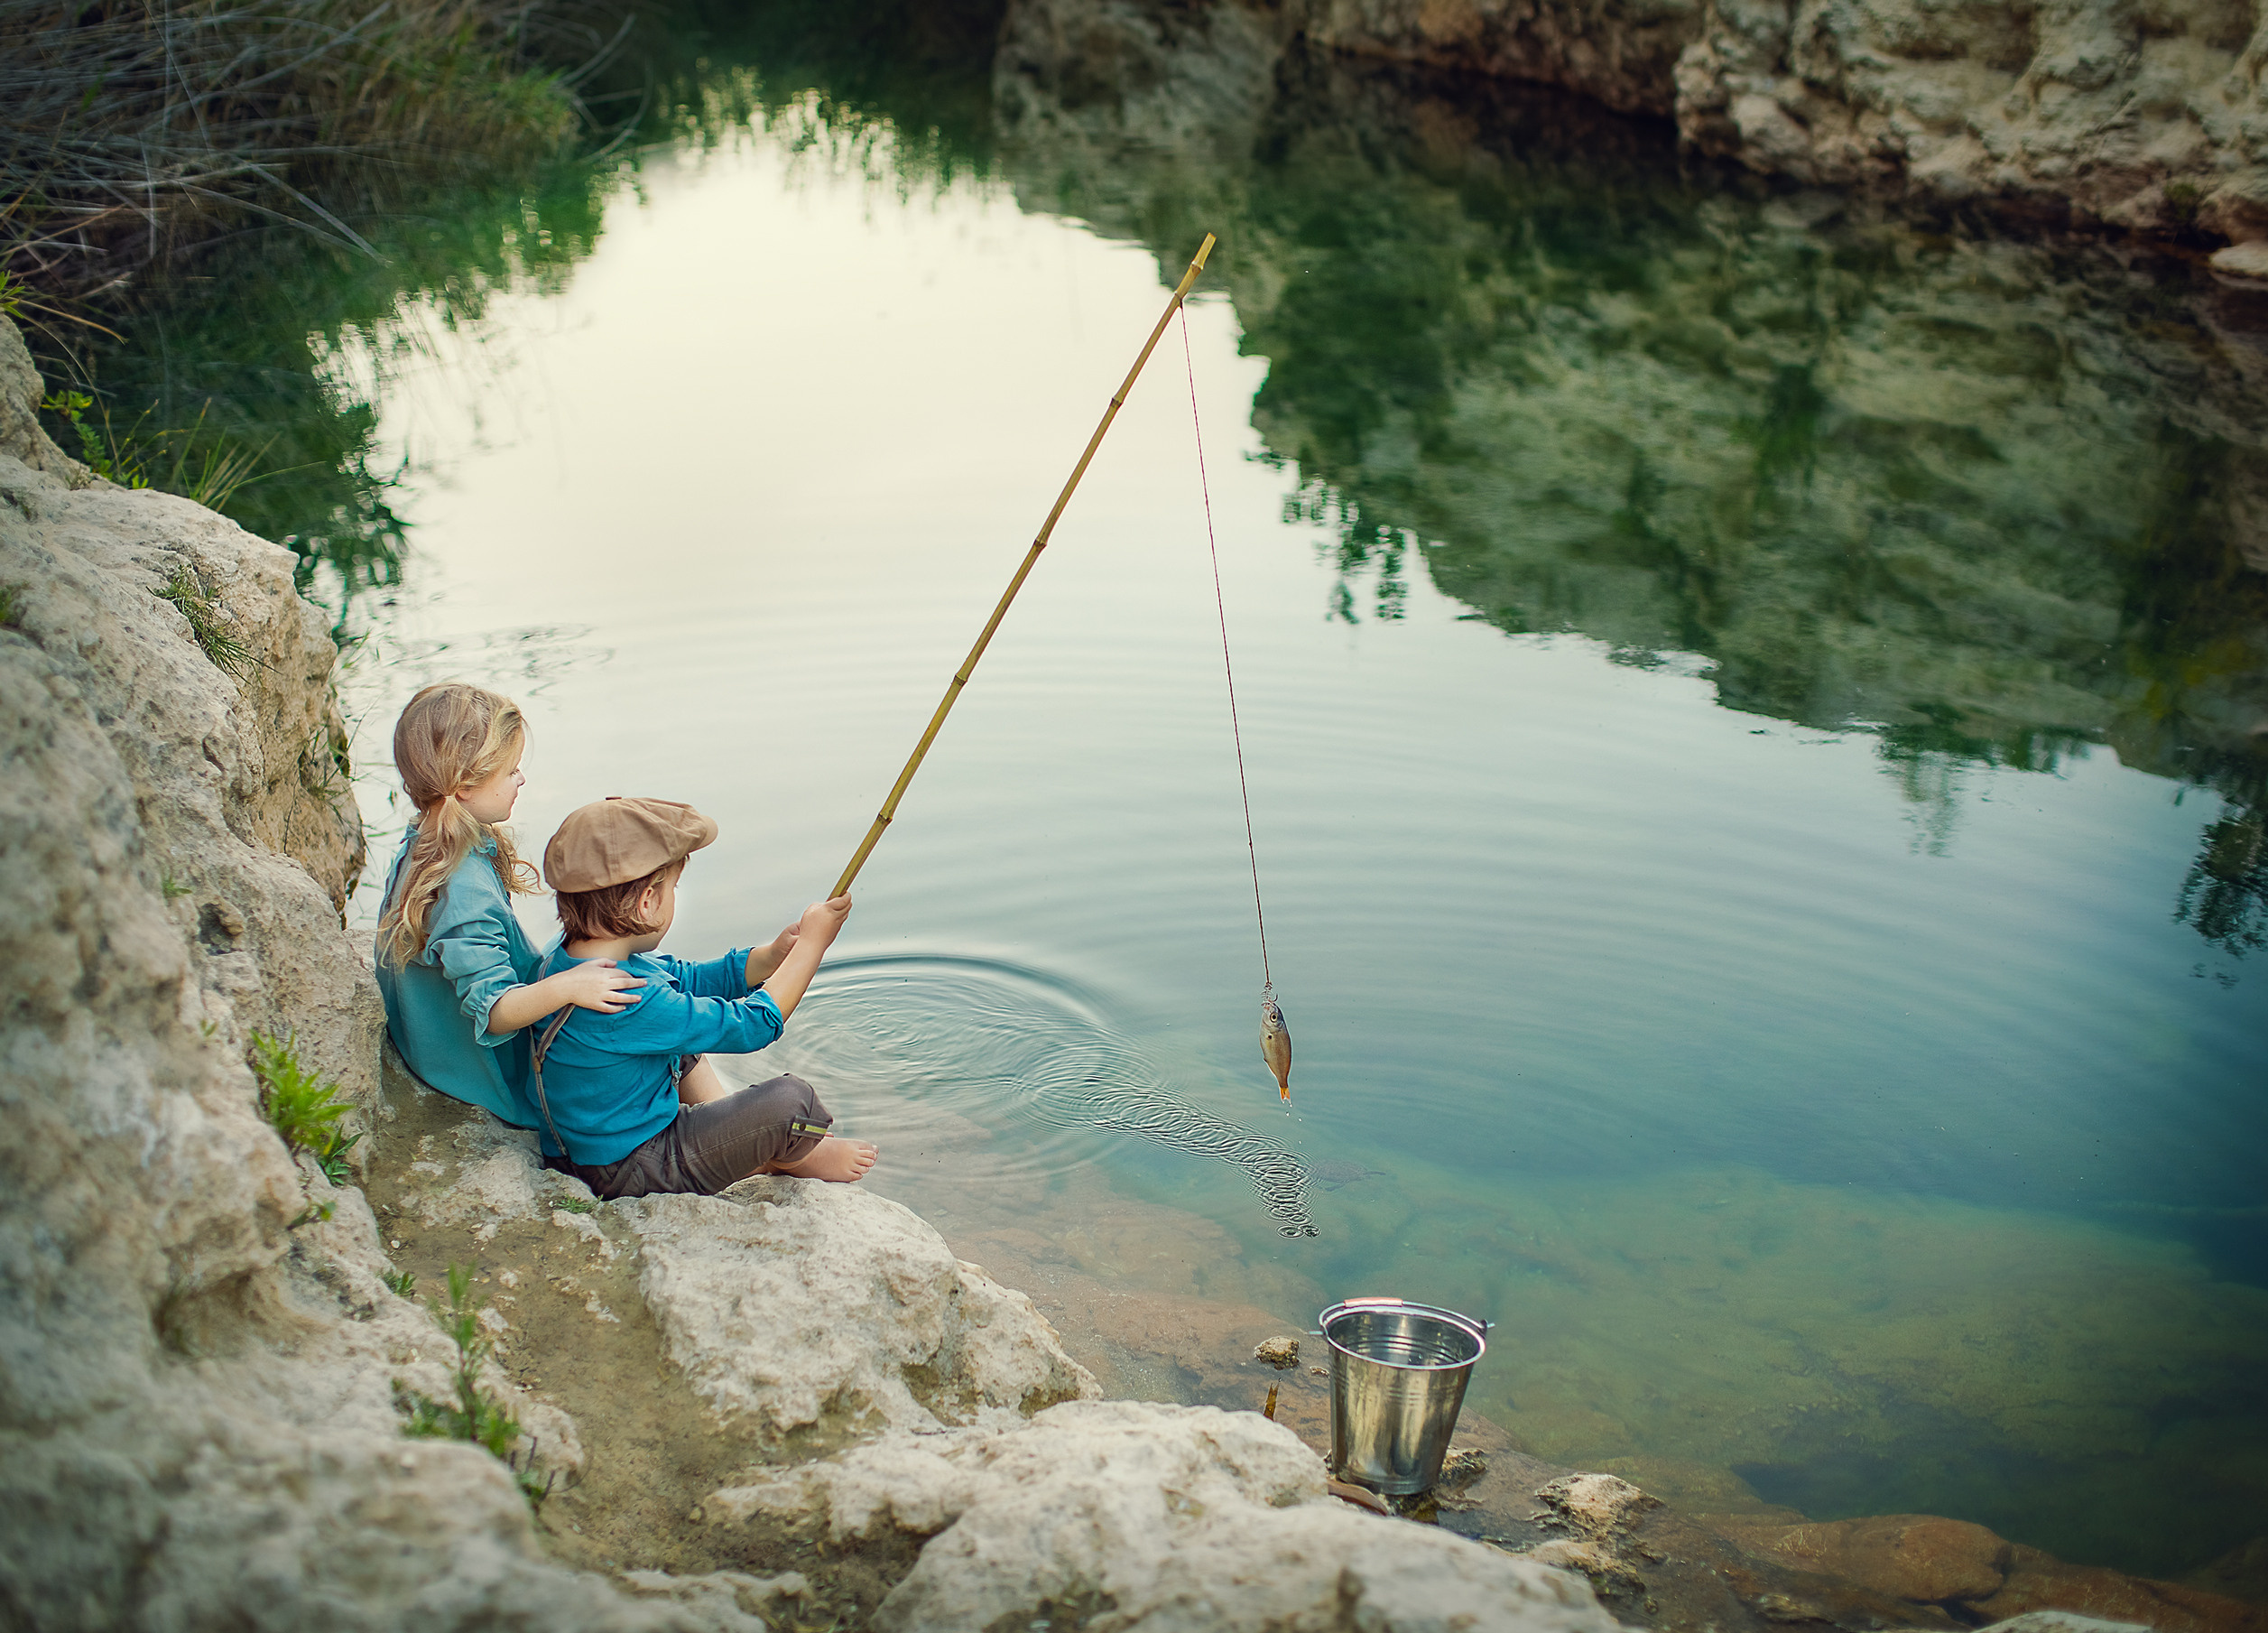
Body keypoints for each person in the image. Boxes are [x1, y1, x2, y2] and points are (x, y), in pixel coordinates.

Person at [524, 795, 877, 1199]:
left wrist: (773, 956)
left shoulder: (570, 961)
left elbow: (688, 978)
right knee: (792, 1103)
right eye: (673, 887)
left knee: (680, 1028)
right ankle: (789, 1157)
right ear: (647, 902)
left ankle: (735, 1140)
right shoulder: (626, 998)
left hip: (587, 1148)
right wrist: (813, 946)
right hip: (632, 1168)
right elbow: (753, 1026)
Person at [374, 682, 645, 1140]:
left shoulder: (428, 842)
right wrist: (569, 985)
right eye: (511, 770)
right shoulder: (462, 888)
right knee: (646, 1016)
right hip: (491, 1077)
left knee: (628, 987)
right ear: (464, 786)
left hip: (435, 1051)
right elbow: (494, 1010)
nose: (521, 779)